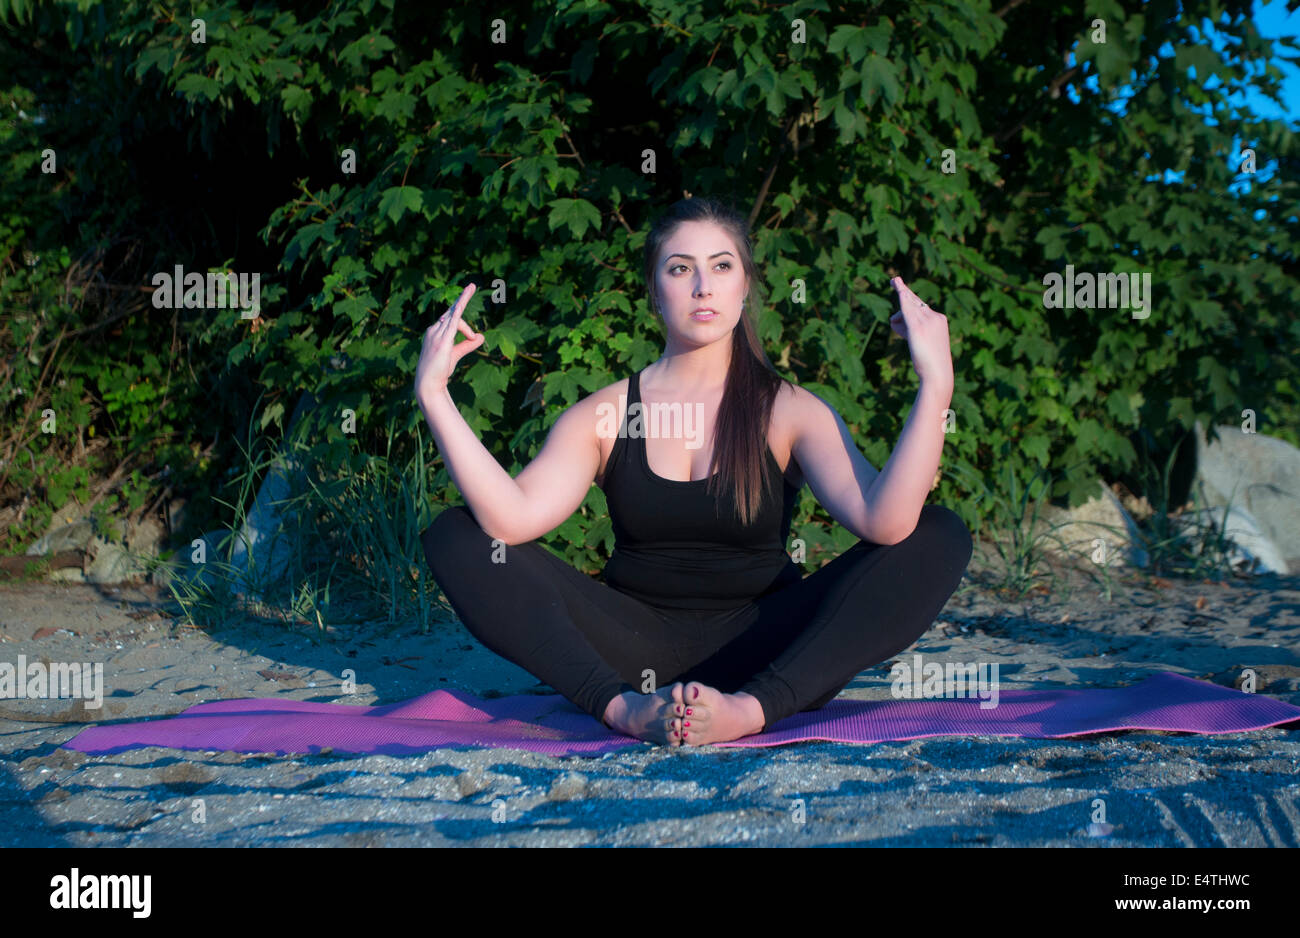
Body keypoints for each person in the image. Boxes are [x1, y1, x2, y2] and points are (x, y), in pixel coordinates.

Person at [414, 196, 972, 747]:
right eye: (681, 269)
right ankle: (623, 711)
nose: (703, 286)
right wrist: (434, 393)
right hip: (630, 651)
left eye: (722, 266)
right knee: (457, 534)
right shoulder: (605, 415)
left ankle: (750, 712)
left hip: (770, 650)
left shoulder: (791, 409)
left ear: (744, 286)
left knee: (938, 531)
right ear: (655, 291)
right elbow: (510, 521)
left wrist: (935, 383)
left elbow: (887, 523)